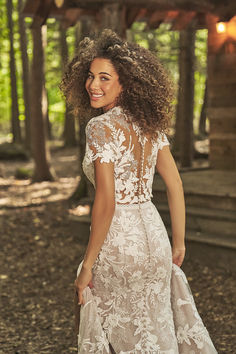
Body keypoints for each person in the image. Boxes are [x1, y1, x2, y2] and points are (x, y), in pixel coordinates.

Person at [61, 29, 217, 354]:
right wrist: (178, 242)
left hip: (118, 246)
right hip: (155, 239)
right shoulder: (150, 126)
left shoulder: (100, 127)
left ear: (125, 83)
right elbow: (175, 185)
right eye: (90, 76)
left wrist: (87, 264)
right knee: (154, 333)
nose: (93, 85)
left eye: (105, 78)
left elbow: (106, 200)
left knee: (114, 335)